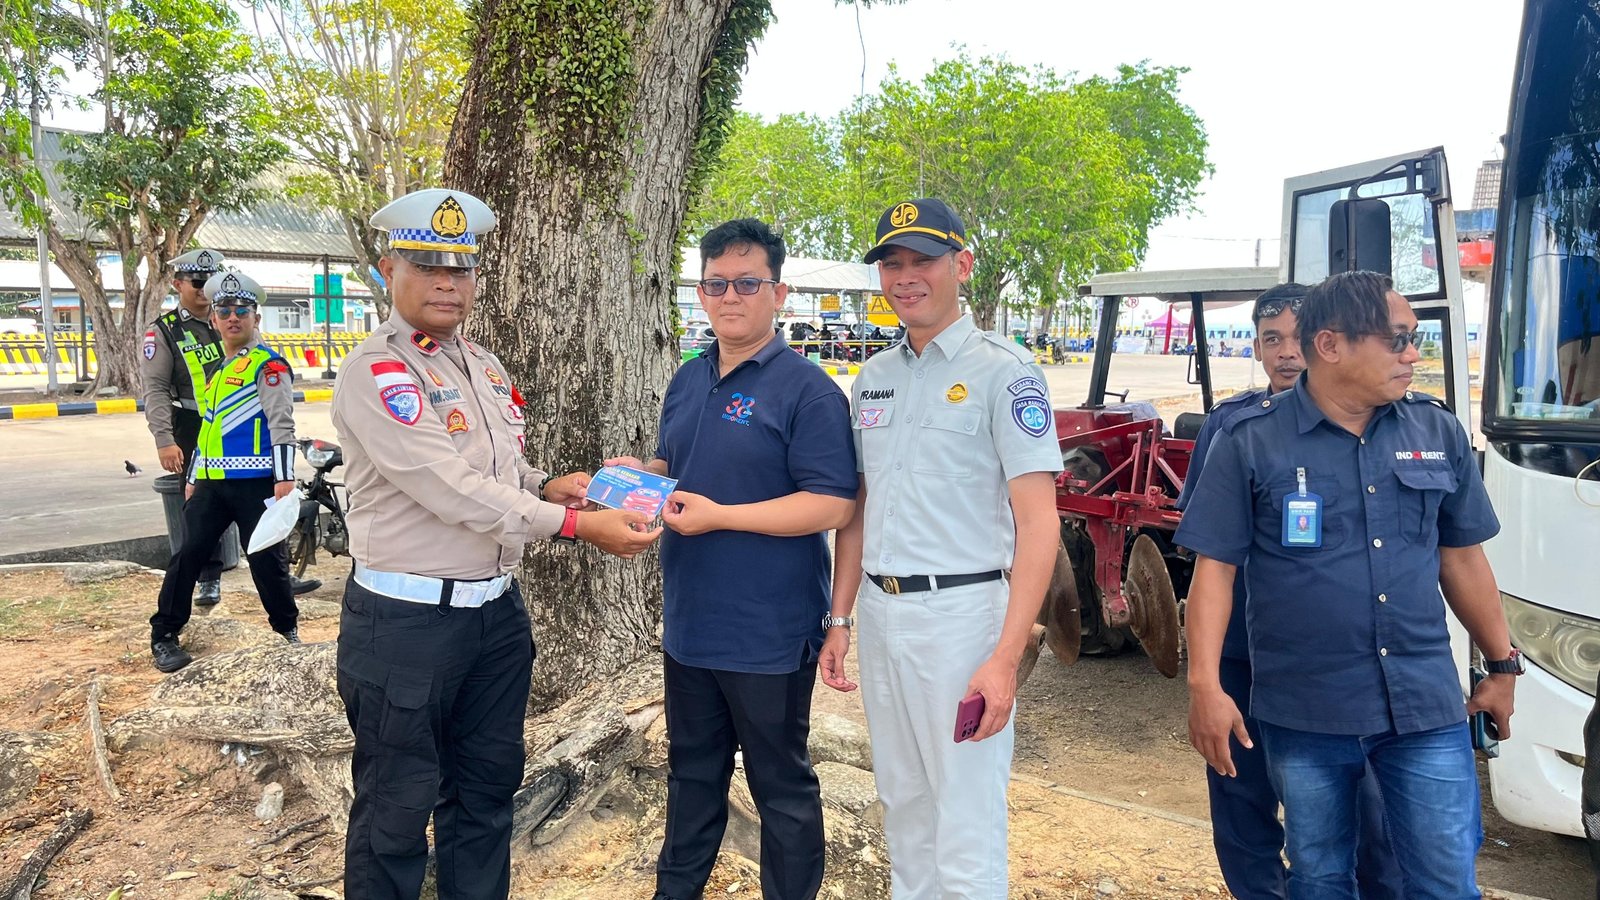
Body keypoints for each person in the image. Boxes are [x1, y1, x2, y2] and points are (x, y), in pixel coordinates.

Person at [331, 188, 662, 900]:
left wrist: (550, 487)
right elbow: (448, 487)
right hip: (405, 627)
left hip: (493, 619)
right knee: (395, 805)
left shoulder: (481, 366)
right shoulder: (380, 370)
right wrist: (575, 526)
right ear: (390, 269)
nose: (448, 281)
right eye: (426, 264)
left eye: (463, 267)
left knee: (485, 795)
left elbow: (498, 473)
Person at [1177, 270, 1520, 899]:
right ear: (1331, 345)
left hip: (1423, 706)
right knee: (1321, 877)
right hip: (1307, 709)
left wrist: (1501, 665)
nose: (1413, 354)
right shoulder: (1249, 441)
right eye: (1396, 340)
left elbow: (1463, 560)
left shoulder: (1435, 432)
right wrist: (1205, 685)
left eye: (1414, 338)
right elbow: (1215, 572)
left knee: (1445, 880)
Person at [605, 218, 857, 900]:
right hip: (691, 626)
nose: (731, 297)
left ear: (780, 293)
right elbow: (674, 464)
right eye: (716, 284)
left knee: (781, 788)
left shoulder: (809, 390)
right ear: (701, 291)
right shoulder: (688, 378)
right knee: (691, 781)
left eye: (748, 282)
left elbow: (833, 504)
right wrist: (643, 472)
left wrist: (722, 517)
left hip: (769, 633)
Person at [819, 198, 1062, 899]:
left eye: (921, 260)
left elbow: (1039, 525)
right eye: (891, 263)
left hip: (962, 619)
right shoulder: (875, 376)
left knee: (964, 816)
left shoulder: (1005, 374)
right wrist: (841, 619)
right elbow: (858, 511)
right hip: (883, 613)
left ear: (962, 264)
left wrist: (1005, 658)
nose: (904, 277)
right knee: (904, 803)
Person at [1176, 283, 1403, 899]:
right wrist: (1206, 678)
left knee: (1365, 820)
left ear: (1326, 342)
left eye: (1297, 338)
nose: (1285, 353)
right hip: (1244, 660)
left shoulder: (1381, 427)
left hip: (1333, 673)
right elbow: (1206, 558)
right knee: (1242, 802)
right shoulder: (1230, 429)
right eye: (1270, 338)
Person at [148, 272, 302, 672]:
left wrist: (285, 480)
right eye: (225, 311)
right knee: (187, 556)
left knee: (268, 562)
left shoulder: (269, 367)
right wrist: (195, 476)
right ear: (214, 319)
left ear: (256, 318)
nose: (233, 317)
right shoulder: (218, 370)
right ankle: (164, 635)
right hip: (212, 486)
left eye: (242, 311)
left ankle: (286, 632)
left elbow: (281, 424)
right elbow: (209, 427)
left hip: (256, 484)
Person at [143, 248, 229, 607]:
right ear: (178, 284)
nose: (204, 290)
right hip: (192, 424)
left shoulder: (231, 317)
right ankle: (208, 576)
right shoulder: (165, 331)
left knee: (261, 493)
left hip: (236, 421)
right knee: (198, 504)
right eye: (196, 283)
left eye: (210, 282)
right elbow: (156, 388)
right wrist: (164, 439)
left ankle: (278, 572)